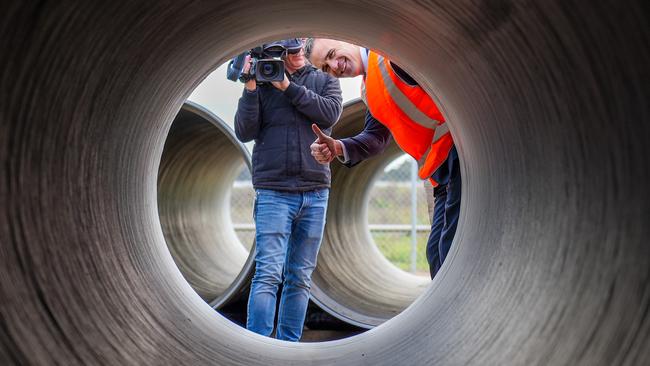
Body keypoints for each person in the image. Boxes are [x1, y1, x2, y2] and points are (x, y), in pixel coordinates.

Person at [305, 38, 460, 279]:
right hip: (439, 173)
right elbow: (375, 138)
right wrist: (338, 147)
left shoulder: (390, 55)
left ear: (345, 38)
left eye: (333, 54)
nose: (334, 66)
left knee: (451, 253)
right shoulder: (370, 86)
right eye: (326, 67)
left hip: (457, 155)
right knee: (437, 257)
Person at [234, 38, 343, 341]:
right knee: (268, 272)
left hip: (315, 191)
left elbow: (329, 114)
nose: (292, 56)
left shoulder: (325, 81)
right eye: (286, 51)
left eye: (296, 50)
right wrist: (252, 87)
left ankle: (288, 347)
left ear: (306, 47)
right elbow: (244, 130)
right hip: (274, 192)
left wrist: (288, 88)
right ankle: (257, 347)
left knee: (300, 277)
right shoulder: (264, 84)